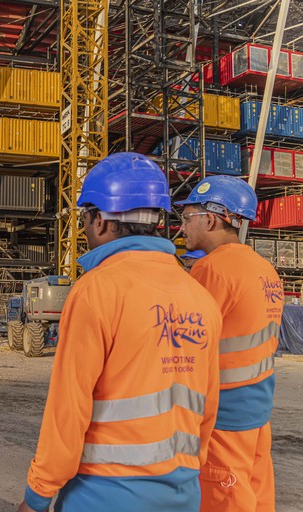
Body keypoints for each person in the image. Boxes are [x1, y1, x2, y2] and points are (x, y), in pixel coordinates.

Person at [18, 152, 223, 512]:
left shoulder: (97, 290)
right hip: (183, 493)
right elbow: (207, 410)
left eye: (84, 219)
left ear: (99, 221)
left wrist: (38, 494)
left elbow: (68, 411)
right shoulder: (200, 297)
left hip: (103, 495)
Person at [177, 175, 282, 512]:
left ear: (210, 218)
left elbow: (187, 344)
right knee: (255, 494)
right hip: (257, 409)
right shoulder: (264, 268)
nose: (182, 227)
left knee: (225, 498)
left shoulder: (212, 270)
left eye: (186, 217)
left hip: (224, 413)